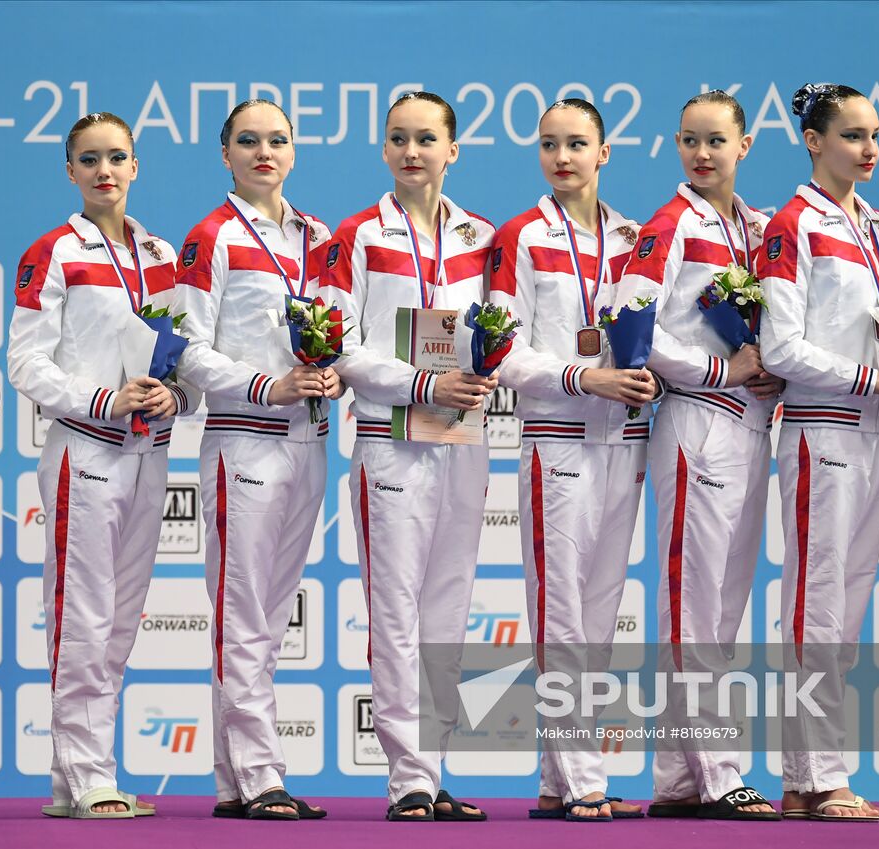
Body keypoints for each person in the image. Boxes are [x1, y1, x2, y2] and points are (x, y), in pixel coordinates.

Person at [9, 112, 200, 819]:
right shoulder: (53, 252)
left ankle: (77, 774)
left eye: (117, 157)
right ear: (70, 171)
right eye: (89, 160)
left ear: (136, 165)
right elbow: (25, 362)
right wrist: (102, 399)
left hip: (150, 449)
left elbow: (183, 357)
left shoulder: (160, 254)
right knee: (82, 614)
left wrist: (171, 393)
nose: (105, 171)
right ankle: (87, 770)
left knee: (119, 617)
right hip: (84, 449)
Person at [757, 83, 879, 823]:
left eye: (875, 136)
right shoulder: (790, 225)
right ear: (812, 140)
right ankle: (820, 773)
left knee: (849, 604)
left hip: (877, 429)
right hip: (821, 430)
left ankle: (810, 778)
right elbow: (780, 347)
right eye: (854, 135)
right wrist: (876, 376)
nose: (870, 149)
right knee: (815, 603)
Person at [323, 91, 494, 822]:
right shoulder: (358, 235)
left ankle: (433, 764)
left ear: (453, 149)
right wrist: (423, 380)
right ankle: (408, 779)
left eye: (427, 138)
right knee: (395, 610)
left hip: (461, 435)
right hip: (391, 438)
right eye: (398, 138)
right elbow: (342, 346)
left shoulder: (482, 236)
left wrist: (480, 375)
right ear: (384, 150)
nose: (413, 150)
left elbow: (499, 333)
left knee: (447, 610)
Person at [485, 98, 651, 822]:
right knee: (562, 613)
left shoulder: (634, 237)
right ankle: (585, 774)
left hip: (625, 440)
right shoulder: (519, 236)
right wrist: (586, 377)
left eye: (577, 143)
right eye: (549, 144)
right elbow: (500, 351)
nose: (562, 157)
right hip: (555, 440)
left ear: (604, 152)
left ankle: (558, 779)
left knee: (600, 612)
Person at [173, 99, 336, 821]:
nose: (263, 151)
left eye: (276, 140)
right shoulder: (210, 237)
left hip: (309, 438)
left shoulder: (320, 237)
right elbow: (188, 348)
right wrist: (268, 383)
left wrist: (335, 372)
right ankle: (262, 774)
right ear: (225, 154)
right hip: (243, 435)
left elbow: (339, 331)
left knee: (268, 618)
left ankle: (234, 780)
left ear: (294, 152)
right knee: (241, 615)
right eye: (248, 141)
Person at [621, 91, 781, 821]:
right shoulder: (671, 221)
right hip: (697, 423)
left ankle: (678, 779)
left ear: (744, 145)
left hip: (752, 425)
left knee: (719, 610)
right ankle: (717, 771)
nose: (702, 153)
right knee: (695, 605)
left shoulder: (759, 226)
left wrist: (771, 364)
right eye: (689, 140)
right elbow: (630, 322)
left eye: (716, 141)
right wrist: (723, 371)